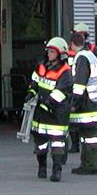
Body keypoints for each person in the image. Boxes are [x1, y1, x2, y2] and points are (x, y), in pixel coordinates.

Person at [27, 37, 72, 182]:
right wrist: (31, 93)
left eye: (53, 51)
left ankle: (57, 171)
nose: (50, 54)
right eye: (49, 51)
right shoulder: (41, 65)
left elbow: (61, 91)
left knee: (57, 142)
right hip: (40, 112)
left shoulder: (65, 71)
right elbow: (35, 81)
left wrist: (48, 103)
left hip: (57, 113)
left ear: (60, 54)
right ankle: (41, 168)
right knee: (40, 142)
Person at [67, 30, 97, 175]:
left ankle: (89, 165)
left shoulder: (81, 58)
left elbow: (79, 85)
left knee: (88, 137)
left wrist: (73, 103)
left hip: (86, 104)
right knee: (89, 137)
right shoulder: (91, 55)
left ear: (72, 44)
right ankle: (87, 164)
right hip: (94, 101)